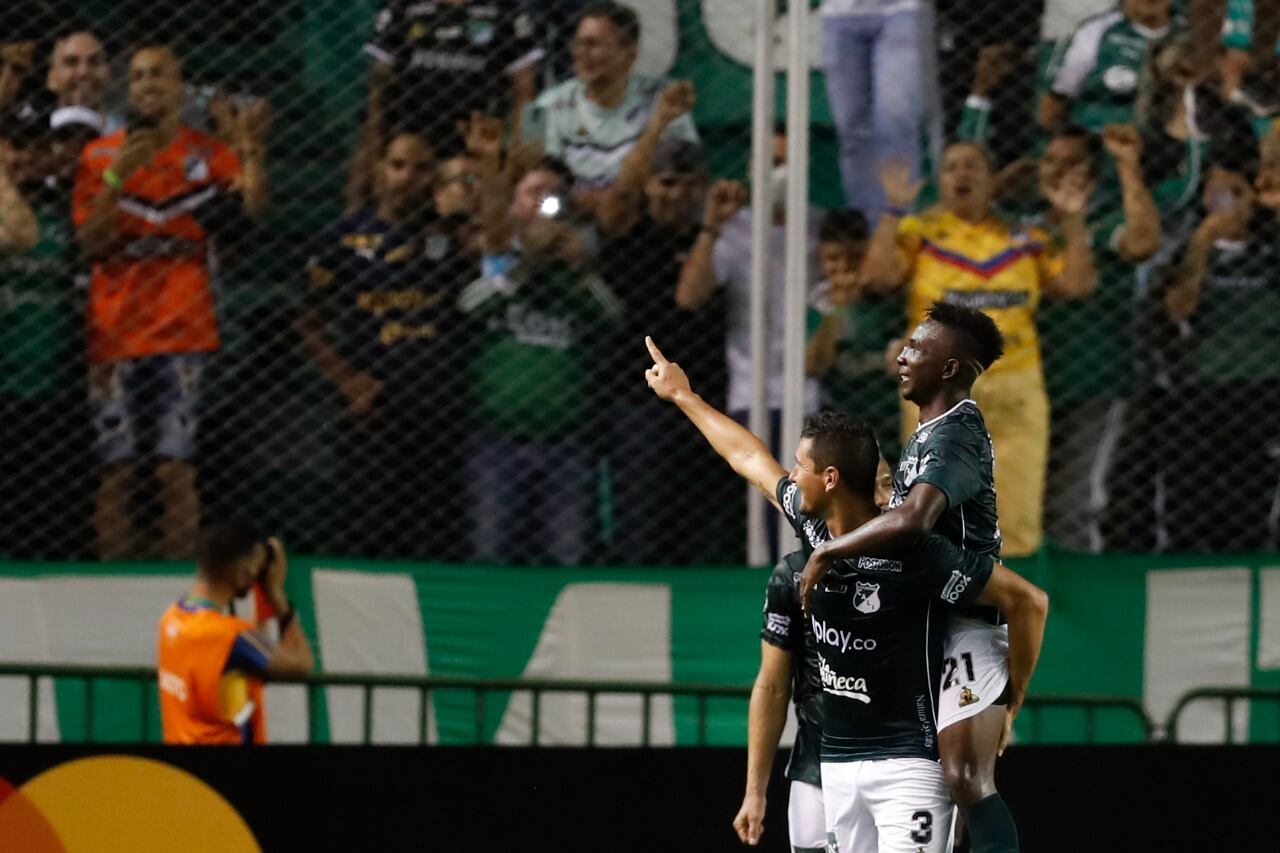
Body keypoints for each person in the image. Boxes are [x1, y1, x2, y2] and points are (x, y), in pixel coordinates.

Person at [642, 341, 1047, 853]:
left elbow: (1024, 601)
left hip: (909, 766)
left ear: (830, 479)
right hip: (836, 765)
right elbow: (745, 455)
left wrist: (1006, 702)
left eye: (800, 466)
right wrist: (684, 396)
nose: (790, 477)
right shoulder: (811, 523)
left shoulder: (916, 552)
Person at [797, 303, 1031, 853]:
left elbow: (913, 519)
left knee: (963, 775)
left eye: (915, 349)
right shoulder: (929, 431)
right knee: (938, 769)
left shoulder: (955, 435)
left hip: (967, 616)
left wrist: (827, 552)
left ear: (948, 368)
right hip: (929, 619)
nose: (901, 356)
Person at [72, 45, 268, 559]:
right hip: (114, 332)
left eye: (160, 74)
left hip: (185, 328)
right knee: (116, 469)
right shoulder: (97, 156)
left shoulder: (209, 154)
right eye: (137, 76)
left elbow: (248, 223)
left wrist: (249, 149)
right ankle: (115, 583)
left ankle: (174, 582)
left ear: (181, 87)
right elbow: (91, 244)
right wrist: (117, 179)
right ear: (126, 89)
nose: (148, 84)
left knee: (173, 468)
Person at [859, 142, 1096, 557]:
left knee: (1016, 522)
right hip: (941, 394)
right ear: (941, 181)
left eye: (972, 166)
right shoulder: (921, 232)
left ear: (992, 180)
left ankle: (1009, 610)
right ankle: (938, 608)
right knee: (934, 512)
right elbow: (877, 278)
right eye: (951, 167)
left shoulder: (1026, 239)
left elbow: (1077, 285)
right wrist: (893, 211)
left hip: (1015, 390)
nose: (961, 174)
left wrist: (1073, 221)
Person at [295, 131, 468, 560]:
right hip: (372, 409)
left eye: (420, 167)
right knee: (369, 527)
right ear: (379, 170)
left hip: (438, 408)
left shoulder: (455, 238)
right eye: (397, 165)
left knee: (435, 532)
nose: (408, 177)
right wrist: (346, 379)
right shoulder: (342, 238)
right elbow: (305, 320)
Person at [459, 152, 620, 564]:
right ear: (515, 203)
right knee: (492, 554)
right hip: (498, 442)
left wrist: (580, 271)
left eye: (554, 196)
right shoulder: (493, 257)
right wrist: (524, 265)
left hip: (567, 445)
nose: (543, 204)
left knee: (569, 557)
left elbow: (614, 319)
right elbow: (467, 307)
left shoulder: (580, 263)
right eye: (534, 193)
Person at [595, 133, 735, 564]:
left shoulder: (716, 238)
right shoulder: (626, 234)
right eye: (667, 182)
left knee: (699, 523)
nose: (677, 194)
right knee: (640, 526)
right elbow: (618, 198)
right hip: (639, 404)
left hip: (704, 399)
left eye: (689, 184)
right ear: (649, 185)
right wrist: (658, 123)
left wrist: (711, 226)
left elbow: (694, 293)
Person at [1155, 152, 1280, 550]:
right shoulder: (1189, 249)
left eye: (1236, 192)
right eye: (1216, 190)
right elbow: (1179, 308)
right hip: (1200, 387)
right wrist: (1203, 243)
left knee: (1251, 493)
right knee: (1190, 493)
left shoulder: (1270, 251)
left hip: (1263, 388)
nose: (1224, 201)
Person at [347, 0, 543, 209]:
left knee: (463, 197)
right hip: (410, 146)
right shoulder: (401, 10)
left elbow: (528, 98)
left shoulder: (509, 13)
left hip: (476, 149)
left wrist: (521, 166)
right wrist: (371, 157)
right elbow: (378, 98)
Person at [525, 3, 699, 212]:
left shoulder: (663, 96)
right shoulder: (546, 103)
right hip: (569, 216)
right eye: (578, 44)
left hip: (641, 215)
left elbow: (683, 175)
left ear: (629, 53)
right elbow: (531, 180)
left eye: (593, 45)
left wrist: (659, 122)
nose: (581, 53)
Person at [157, 522, 314, 744]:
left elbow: (255, 661)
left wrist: (261, 598)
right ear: (242, 574)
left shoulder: (171, 620)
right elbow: (302, 663)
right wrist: (277, 595)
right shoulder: (232, 637)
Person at [732, 550, 826, 852]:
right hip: (816, 770)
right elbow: (772, 687)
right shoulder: (792, 574)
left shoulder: (908, 558)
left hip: (900, 769)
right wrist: (754, 792)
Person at [819, 0, 942, 220]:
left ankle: (899, 227)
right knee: (851, 129)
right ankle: (868, 228)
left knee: (896, 123)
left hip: (902, 10)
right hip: (838, 14)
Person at [805, 208, 903, 464]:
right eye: (833, 258)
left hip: (895, 426)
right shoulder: (817, 303)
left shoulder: (892, 300)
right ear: (821, 258)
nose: (843, 267)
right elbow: (813, 365)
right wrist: (837, 309)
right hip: (843, 433)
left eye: (854, 257)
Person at [1040, 0, 1182, 131]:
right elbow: (1064, 86)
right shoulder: (1099, 28)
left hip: (1156, 124)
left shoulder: (1185, 30)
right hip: (1093, 120)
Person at [45, 27, 115, 133]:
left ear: (108, 74)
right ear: (51, 78)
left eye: (94, 62)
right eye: (71, 62)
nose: (84, 72)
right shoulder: (30, 139)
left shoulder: (128, 138)